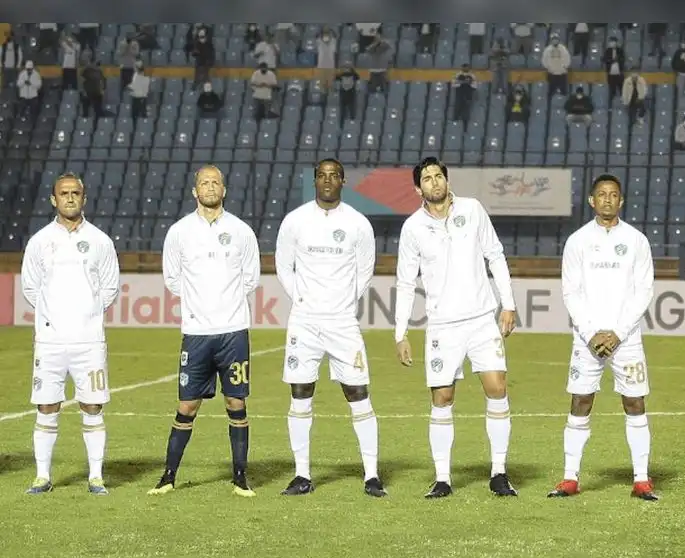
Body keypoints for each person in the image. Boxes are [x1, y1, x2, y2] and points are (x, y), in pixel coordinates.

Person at [394, 157, 518, 499]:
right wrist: (400, 332)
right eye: (427, 178)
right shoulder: (413, 228)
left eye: (438, 176)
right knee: (443, 398)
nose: (434, 182)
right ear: (418, 188)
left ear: (446, 181)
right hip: (442, 326)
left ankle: (499, 472)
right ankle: (443, 478)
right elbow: (406, 281)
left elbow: (495, 255)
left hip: (481, 319)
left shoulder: (473, 210)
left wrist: (508, 303)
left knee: (497, 387)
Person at [148, 165, 261, 497]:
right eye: (204, 183)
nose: (210, 187)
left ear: (224, 190)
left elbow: (250, 278)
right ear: (194, 191)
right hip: (196, 333)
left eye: (215, 182)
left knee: (236, 402)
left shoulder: (241, 232)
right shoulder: (180, 232)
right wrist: (202, 303)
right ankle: (168, 477)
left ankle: (240, 478)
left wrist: (224, 305)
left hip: (233, 332)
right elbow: (172, 278)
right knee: (187, 406)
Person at [274, 159, 384, 497]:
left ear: (343, 181)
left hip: (341, 322)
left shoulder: (357, 223)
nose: (327, 181)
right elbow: (283, 265)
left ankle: (371, 476)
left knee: (358, 394)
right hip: (304, 321)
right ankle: (302, 475)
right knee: (300, 394)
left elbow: (365, 269)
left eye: (334, 176)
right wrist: (303, 299)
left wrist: (342, 303)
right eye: (321, 176)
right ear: (314, 181)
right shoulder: (295, 220)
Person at [547, 174, 656, 501]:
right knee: (580, 401)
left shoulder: (637, 240)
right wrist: (592, 331)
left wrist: (617, 332)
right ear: (592, 201)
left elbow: (644, 291)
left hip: (627, 339)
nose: (607, 200)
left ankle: (641, 481)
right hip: (587, 339)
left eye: (614, 195)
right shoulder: (578, 241)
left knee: (635, 402)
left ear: (621, 201)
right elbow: (571, 292)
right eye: (601, 195)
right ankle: (569, 478)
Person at [20, 173, 120, 495]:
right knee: (47, 406)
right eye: (64, 193)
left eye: (76, 192)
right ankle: (42, 477)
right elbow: (30, 288)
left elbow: (109, 288)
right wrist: (55, 317)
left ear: (84, 198)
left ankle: (95, 476)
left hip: (89, 342)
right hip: (49, 342)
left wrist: (86, 314)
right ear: (54, 199)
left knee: (92, 407)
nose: (70, 198)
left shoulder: (101, 241)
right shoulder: (39, 242)